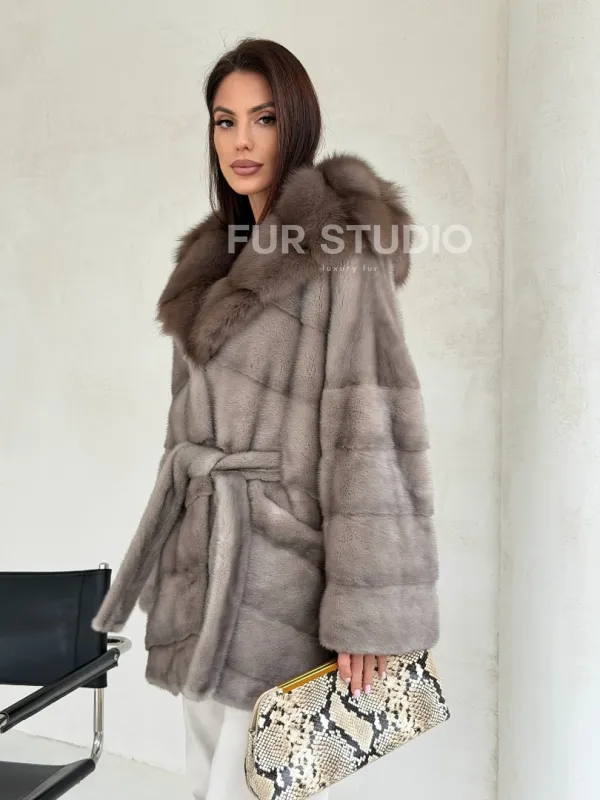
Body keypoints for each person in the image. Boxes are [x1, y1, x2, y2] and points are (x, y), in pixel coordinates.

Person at [93, 37, 440, 800]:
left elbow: (371, 434)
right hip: (202, 579)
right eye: (225, 121)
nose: (241, 141)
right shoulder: (208, 267)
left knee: (246, 788)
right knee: (204, 783)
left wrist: (367, 612)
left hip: (285, 583)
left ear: (298, 125)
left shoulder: (342, 253)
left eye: (264, 118)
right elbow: (182, 434)